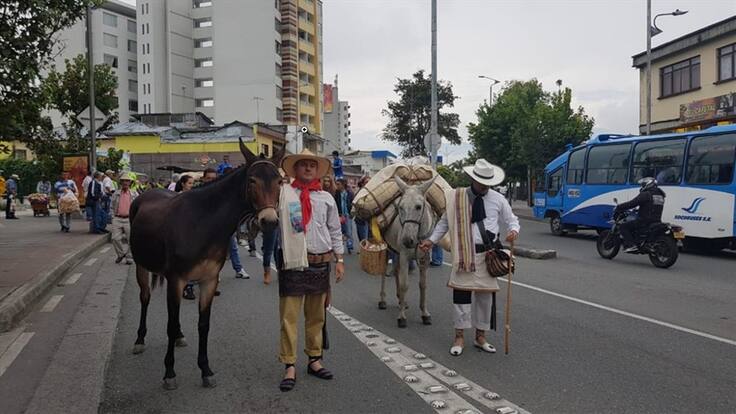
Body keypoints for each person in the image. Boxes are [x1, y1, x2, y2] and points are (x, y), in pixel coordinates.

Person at [420, 159, 520, 356]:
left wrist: (514, 230)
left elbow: (512, 220)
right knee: (461, 298)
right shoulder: (457, 197)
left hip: (488, 256)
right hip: (464, 254)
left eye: (488, 183)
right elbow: (444, 222)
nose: (484, 186)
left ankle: (480, 336)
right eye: (481, 182)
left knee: (485, 299)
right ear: (473, 179)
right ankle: (459, 337)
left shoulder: (498, 199)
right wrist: (431, 240)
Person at [276, 149, 345, 392]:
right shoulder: (284, 194)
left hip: (319, 262)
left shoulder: (326, 198)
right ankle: (289, 364)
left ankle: (314, 359)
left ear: (317, 171)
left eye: (312, 165)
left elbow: (335, 230)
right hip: (293, 263)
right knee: (289, 317)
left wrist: (339, 259)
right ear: (295, 169)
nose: (307, 168)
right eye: (303, 164)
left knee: (317, 316)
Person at [614, 177, 665, 253]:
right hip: (656, 220)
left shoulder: (646, 194)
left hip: (644, 221)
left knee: (623, 227)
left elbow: (632, 203)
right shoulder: (660, 195)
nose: (642, 186)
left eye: (643, 184)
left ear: (648, 184)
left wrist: (619, 206)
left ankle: (631, 245)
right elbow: (651, 206)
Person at [110, 172, 138, 264]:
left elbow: (138, 206)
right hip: (117, 218)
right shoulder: (116, 193)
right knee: (115, 238)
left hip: (129, 219)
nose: (125, 183)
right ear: (121, 182)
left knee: (131, 240)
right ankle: (121, 254)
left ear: (130, 183)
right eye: (123, 181)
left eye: (127, 181)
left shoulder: (134, 194)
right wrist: (113, 217)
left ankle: (129, 257)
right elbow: (111, 206)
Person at [334, 178, 354, 254]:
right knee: (340, 231)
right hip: (339, 215)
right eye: (336, 184)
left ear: (343, 185)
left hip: (347, 214)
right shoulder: (337, 193)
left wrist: (352, 212)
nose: (337, 186)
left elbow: (352, 203)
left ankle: (349, 246)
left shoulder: (349, 193)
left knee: (349, 231)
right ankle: (340, 247)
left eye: (338, 184)